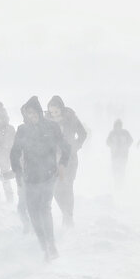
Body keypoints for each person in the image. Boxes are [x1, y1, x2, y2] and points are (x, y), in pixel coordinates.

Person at [10, 96, 70, 261]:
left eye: (33, 112)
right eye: (28, 113)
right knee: (33, 211)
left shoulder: (52, 127)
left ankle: (51, 244)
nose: (31, 116)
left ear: (39, 111)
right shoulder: (22, 130)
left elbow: (66, 147)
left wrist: (63, 164)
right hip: (30, 177)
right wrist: (17, 171)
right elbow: (14, 153)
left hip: (49, 175)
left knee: (44, 208)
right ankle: (44, 246)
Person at [46, 96, 87, 227]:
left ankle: (69, 217)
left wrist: (75, 147)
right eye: (51, 112)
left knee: (68, 187)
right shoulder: (47, 122)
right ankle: (65, 213)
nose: (54, 115)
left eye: (56, 112)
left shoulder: (71, 118)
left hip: (70, 159)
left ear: (62, 109)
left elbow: (83, 133)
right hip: (53, 160)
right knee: (56, 188)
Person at [106, 119, 133, 188]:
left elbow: (131, 140)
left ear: (121, 125)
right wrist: (112, 145)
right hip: (114, 155)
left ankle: (121, 183)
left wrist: (126, 146)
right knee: (114, 169)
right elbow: (107, 142)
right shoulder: (112, 133)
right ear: (114, 126)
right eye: (116, 125)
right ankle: (116, 182)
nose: (118, 127)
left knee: (122, 169)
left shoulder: (125, 132)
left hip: (124, 155)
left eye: (119, 125)